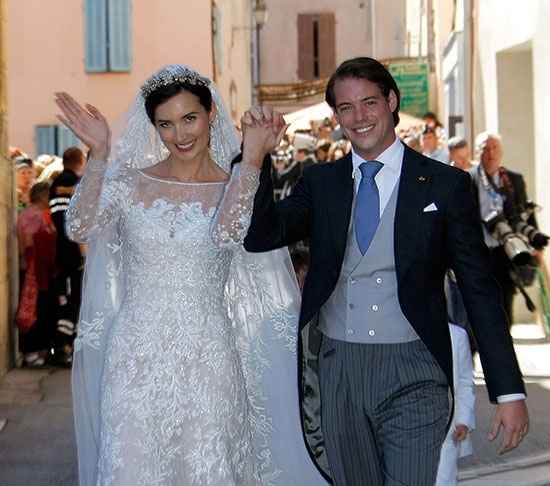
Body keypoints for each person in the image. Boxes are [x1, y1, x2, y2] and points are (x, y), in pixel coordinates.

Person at [243, 57, 528, 486]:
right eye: (346, 107)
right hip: (338, 372)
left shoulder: (446, 186)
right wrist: (256, 157)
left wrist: (508, 391)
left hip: (415, 370)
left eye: (369, 102)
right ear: (336, 116)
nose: (359, 117)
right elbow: (260, 235)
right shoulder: (320, 183)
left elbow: (478, 290)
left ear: (391, 101)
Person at [56, 64, 327, 486]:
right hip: (134, 362)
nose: (180, 135)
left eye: (189, 118)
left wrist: (252, 159)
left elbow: (229, 234)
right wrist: (100, 156)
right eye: (165, 124)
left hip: (208, 359)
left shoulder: (232, 184)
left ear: (210, 114)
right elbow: (80, 226)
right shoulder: (129, 182)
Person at [469, 132, 547, 326]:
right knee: (478, 311)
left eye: (495, 148)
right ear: (477, 152)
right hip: (478, 254)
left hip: (506, 253)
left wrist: (535, 243)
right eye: (485, 149)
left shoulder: (513, 180)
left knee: (505, 306)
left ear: (501, 152)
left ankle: (503, 349)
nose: (490, 153)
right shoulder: (466, 179)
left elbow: (525, 213)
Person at [49, 146, 87, 364]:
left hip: (61, 248)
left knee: (67, 298)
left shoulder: (54, 184)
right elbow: (76, 222)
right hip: (73, 249)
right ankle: (63, 345)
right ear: (80, 160)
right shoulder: (76, 184)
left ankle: (63, 345)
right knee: (75, 300)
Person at [16, 181, 57, 367]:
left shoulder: (26, 214)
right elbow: (30, 242)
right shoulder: (36, 215)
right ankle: (33, 350)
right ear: (42, 196)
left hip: (30, 268)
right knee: (37, 310)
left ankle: (34, 349)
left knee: (34, 309)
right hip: (36, 270)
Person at [435, 323, 476, 486]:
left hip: (447, 425)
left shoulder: (457, 335)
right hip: (406, 423)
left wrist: (463, 420)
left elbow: (465, 381)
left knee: (444, 478)